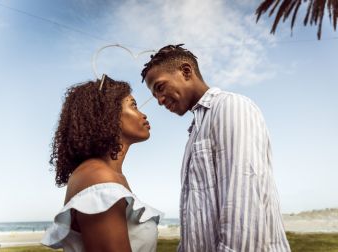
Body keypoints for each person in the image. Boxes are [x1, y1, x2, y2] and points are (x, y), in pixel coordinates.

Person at [141, 44, 291, 252]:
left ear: (186, 72)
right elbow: (197, 221)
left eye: (159, 87)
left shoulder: (231, 107)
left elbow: (244, 209)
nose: (159, 100)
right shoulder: (196, 130)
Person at [42, 76, 162, 252]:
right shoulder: (98, 177)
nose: (143, 114)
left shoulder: (108, 175)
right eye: (133, 105)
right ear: (108, 114)